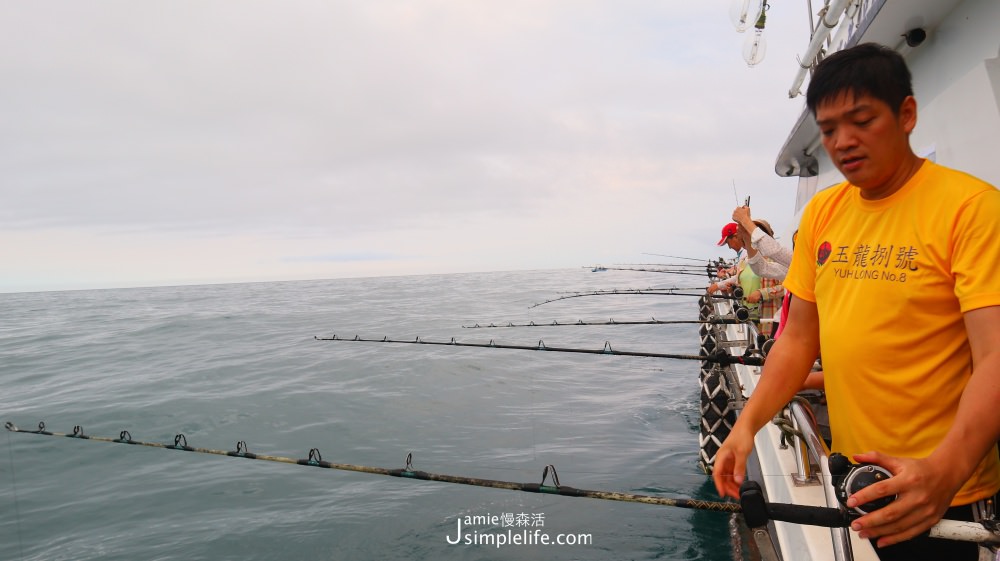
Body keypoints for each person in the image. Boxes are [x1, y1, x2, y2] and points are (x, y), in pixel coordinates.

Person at [712, 42, 1000, 561]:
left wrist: (947, 471)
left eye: (862, 120)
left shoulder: (972, 209)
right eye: (827, 130)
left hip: (946, 491)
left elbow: (996, 355)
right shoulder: (824, 212)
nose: (842, 142)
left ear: (906, 114)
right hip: (858, 480)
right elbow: (798, 338)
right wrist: (746, 426)